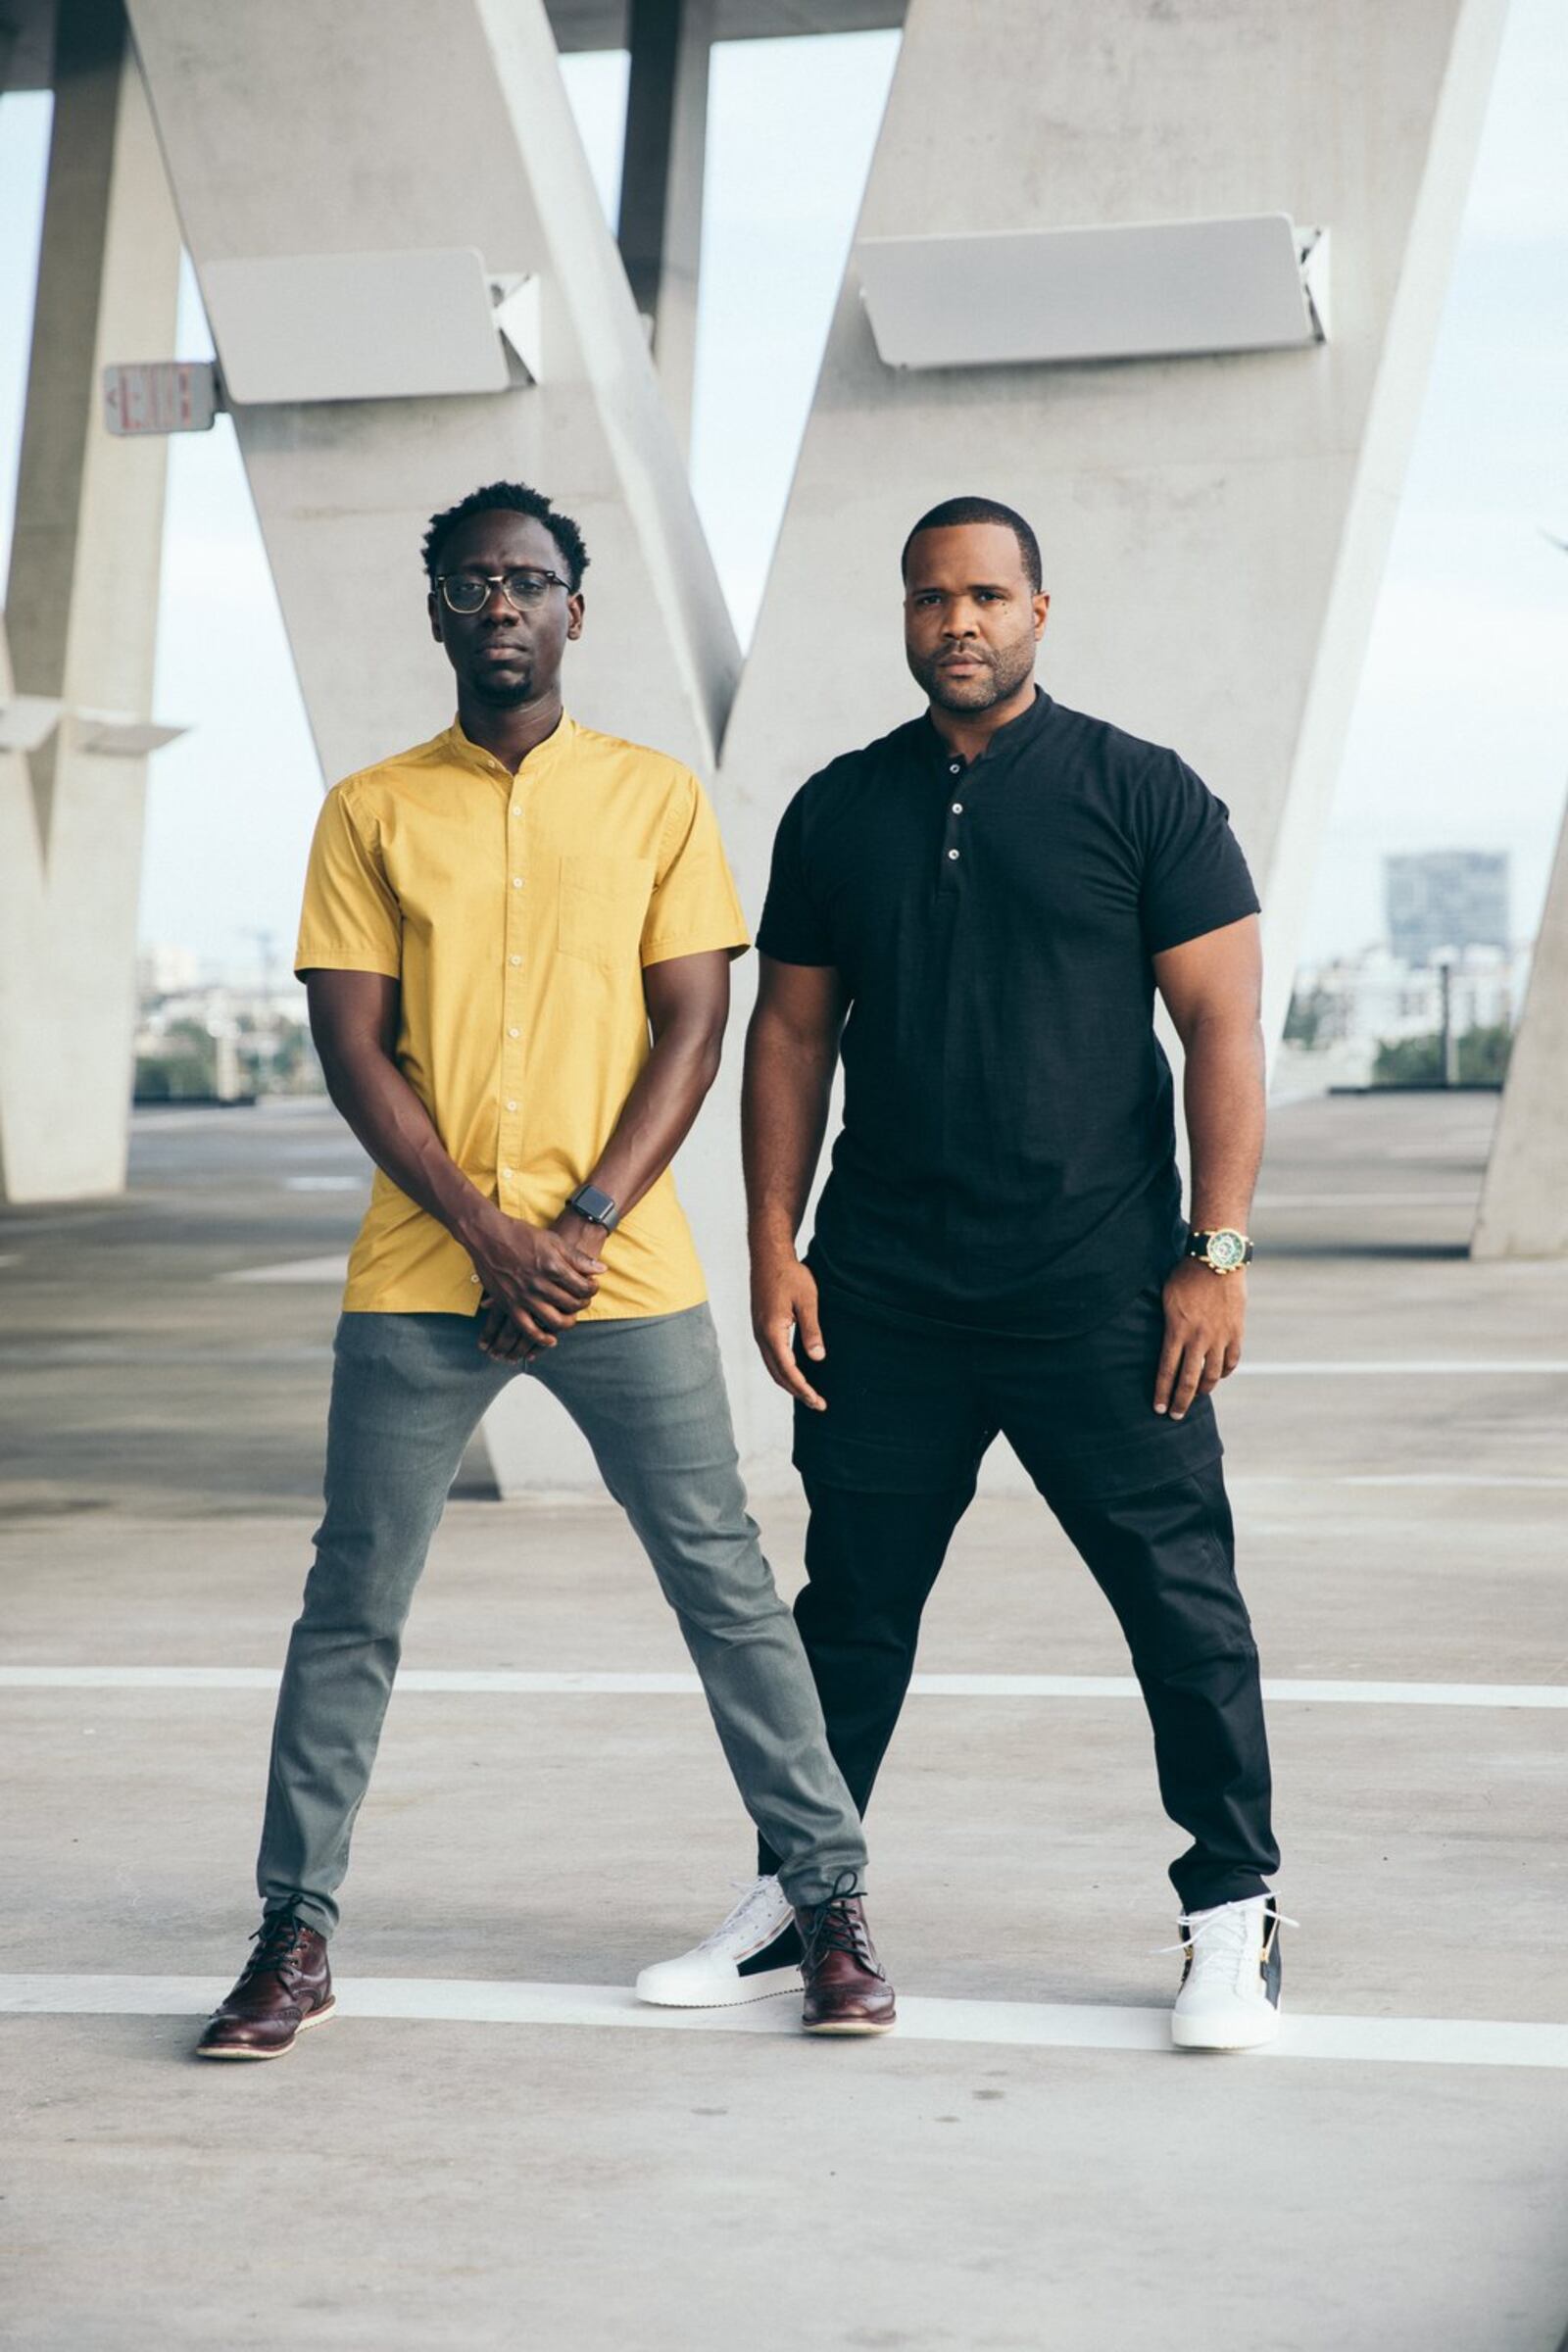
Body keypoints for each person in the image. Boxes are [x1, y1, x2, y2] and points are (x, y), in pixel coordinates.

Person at [196, 480, 895, 2059]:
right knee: (350, 1605)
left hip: (619, 1273)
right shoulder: (369, 810)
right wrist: (482, 1225)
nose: (499, 603)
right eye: (470, 581)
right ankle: (292, 1936)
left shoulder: (652, 800)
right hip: (422, 1271)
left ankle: (831, 1905)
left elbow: (697, 1026)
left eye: (528, 580)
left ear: (578, 609)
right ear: (436, 608)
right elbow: (352, 1046)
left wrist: (573, 1227)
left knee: (724, 1586)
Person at [637, 495, 1285, 2051]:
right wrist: (774, 1246)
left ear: (1040, 612)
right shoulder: (840, 807)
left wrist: (1215, 1253)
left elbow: (1221, 1027)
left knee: (1181, 1610)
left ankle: (1231, 1916)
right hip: (890, 1291)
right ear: (907, 617)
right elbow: (790, 1034)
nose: (960, 623)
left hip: (1104, 1294)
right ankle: (804, 1896)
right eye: (932, 599)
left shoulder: (1143, 792)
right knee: (848, 1614)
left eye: (988, 595)